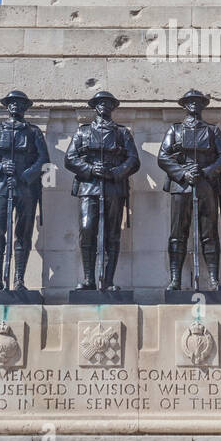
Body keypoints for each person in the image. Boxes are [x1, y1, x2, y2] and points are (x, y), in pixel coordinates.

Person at [64, 91, 140, 291]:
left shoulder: (122, 133)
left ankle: (108, 281)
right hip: (89, 187)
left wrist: (115, 172)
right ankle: (89, 279)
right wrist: (90, 169)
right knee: (87, 230)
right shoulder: (83, 132)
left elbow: (133, 160)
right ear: (95, 107)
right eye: (100, 103)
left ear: (113, 107)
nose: (104, 106)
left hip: (114, 187)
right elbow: (70, 159)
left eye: (108, 103)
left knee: (112, 234)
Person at [0, 90, 48, 292]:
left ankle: (18, 280)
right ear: (7, 106)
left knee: (23, 233)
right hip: (0, 186)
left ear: (26, 107)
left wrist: (27, 175)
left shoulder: (33, 132)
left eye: (20, 103)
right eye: (12, 102)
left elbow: (43, 159)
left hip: (26, 187)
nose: (15, 105)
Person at [157, 89, 221, 291]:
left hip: (206, 185)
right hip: (181, 186)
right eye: (190, 102)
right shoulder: (175, 130)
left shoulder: (212, 131)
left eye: (198, 102)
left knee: (209, 234)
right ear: (184, 105)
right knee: (177, 234)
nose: (194, 105)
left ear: (203, 105)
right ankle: (175, 280)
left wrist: (206, 171)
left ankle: (214, 280)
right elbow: (163, 157)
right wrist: (182, 173)